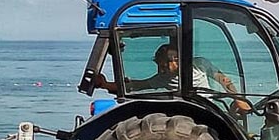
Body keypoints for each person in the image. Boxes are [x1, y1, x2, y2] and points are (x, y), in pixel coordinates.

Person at [93, 43, 252, 112]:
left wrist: (238, 99)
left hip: (211, 107)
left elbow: (224, 80)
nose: (161, 69)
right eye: (159, 65)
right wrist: (105, 85)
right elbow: (136, 85)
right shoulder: (163, 78)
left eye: (163, 65)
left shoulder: (199, 64)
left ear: (176, 60)